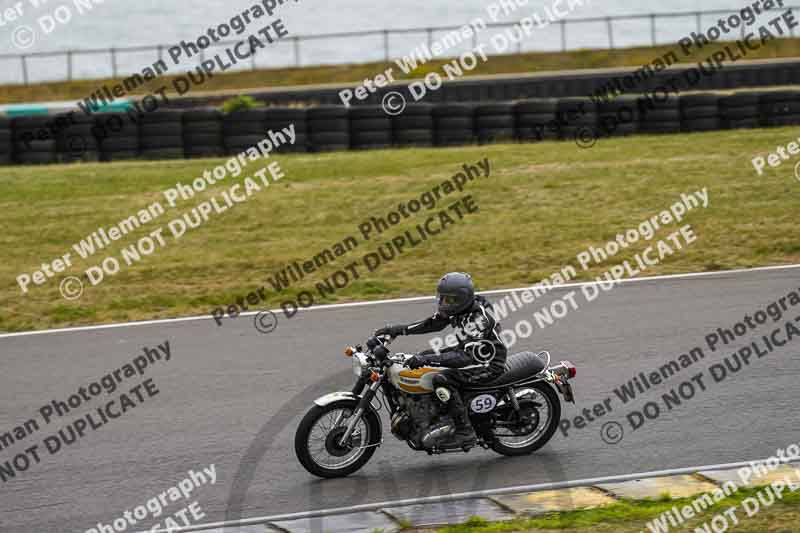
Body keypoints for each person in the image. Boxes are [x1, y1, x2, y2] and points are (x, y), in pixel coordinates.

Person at [375, 272, 507, 448]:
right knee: (424, 357)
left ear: (461, 299)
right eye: (442, 298)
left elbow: (464, 358)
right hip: (468, 350)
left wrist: (427, 359)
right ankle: (437, 413)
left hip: (486, 363)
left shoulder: (478, 320)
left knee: (442, 378)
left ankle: (464, 431)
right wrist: (398, 330)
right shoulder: (461, 306)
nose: (443, 303)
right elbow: (433, 323)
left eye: (448, 299)